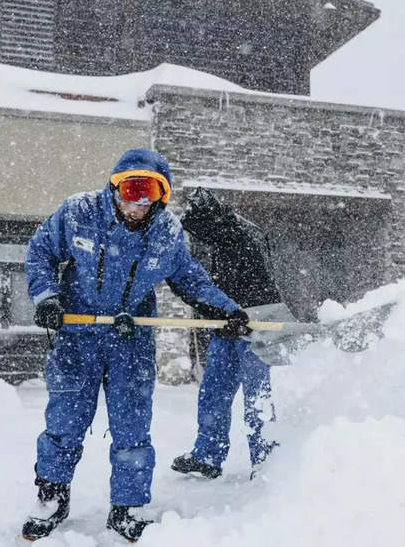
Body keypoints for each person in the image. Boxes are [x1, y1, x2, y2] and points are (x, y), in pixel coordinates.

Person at [22, 150, 252, 542]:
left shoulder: (167, 233)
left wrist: (225, 310)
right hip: (78, 337)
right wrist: (46, 297)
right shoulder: (78, 212)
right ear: (115, 188)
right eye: (130, 189)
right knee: (64, 422)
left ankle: (127, 508)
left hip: (130, 341)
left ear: (161, 196)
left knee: (132, 427)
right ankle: (51, 498)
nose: (137, 202)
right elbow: (40, 252)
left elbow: (191, 279)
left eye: (149, 192)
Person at [168, 188, 286, 480]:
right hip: (227, 327)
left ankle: (266, 461)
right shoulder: (223, 237)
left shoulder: (244, 236)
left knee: (256, 398)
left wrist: (242, 315)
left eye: (200, 231)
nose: (199, 239)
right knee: (214, 392)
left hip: (256, 326)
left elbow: (259, 284)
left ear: (212, 221)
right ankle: (207, 455)